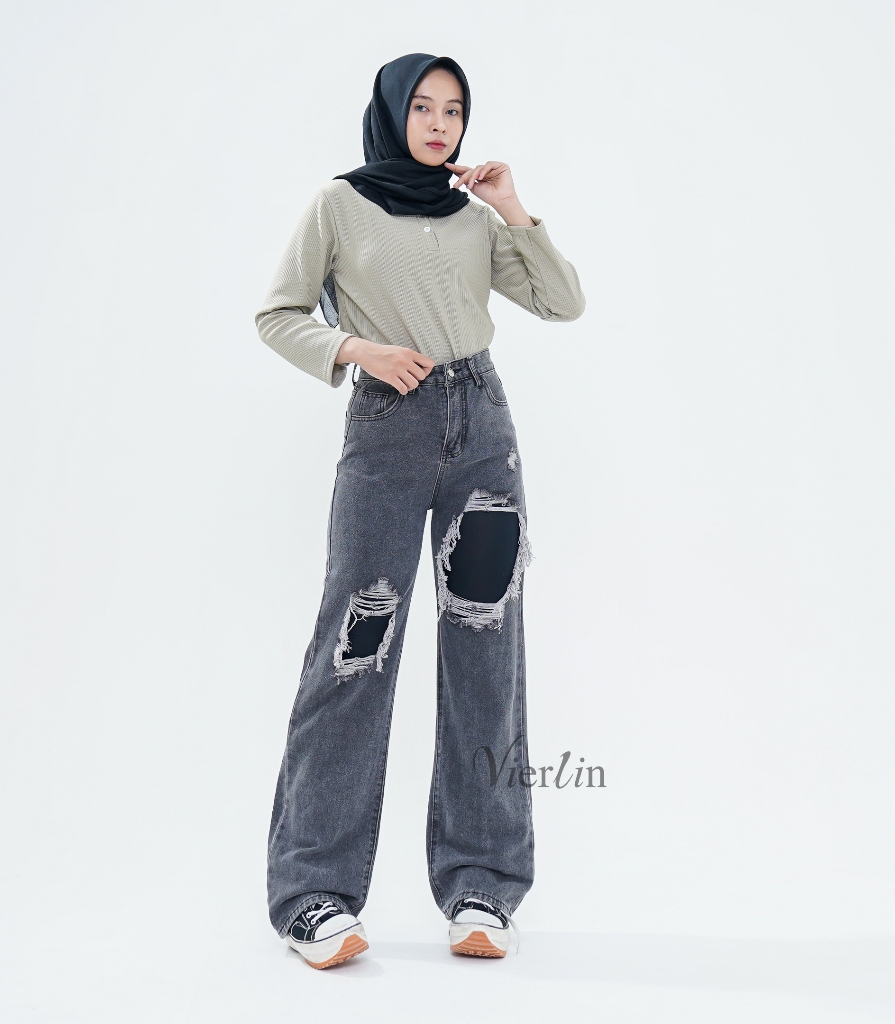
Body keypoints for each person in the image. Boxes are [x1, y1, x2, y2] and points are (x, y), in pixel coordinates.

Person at [255, 52, 585, 969]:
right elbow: (278, 314)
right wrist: (356, 347)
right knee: (356, 645)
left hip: (482, 426)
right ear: (392, 113)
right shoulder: (339, 204)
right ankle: (314, 895)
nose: (440, 125)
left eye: (454, 110)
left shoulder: (474, 217)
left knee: (486, 646)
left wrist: (513, 208)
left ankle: (483, 887)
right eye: (425, 108)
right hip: (386, 428)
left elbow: (563, 303)